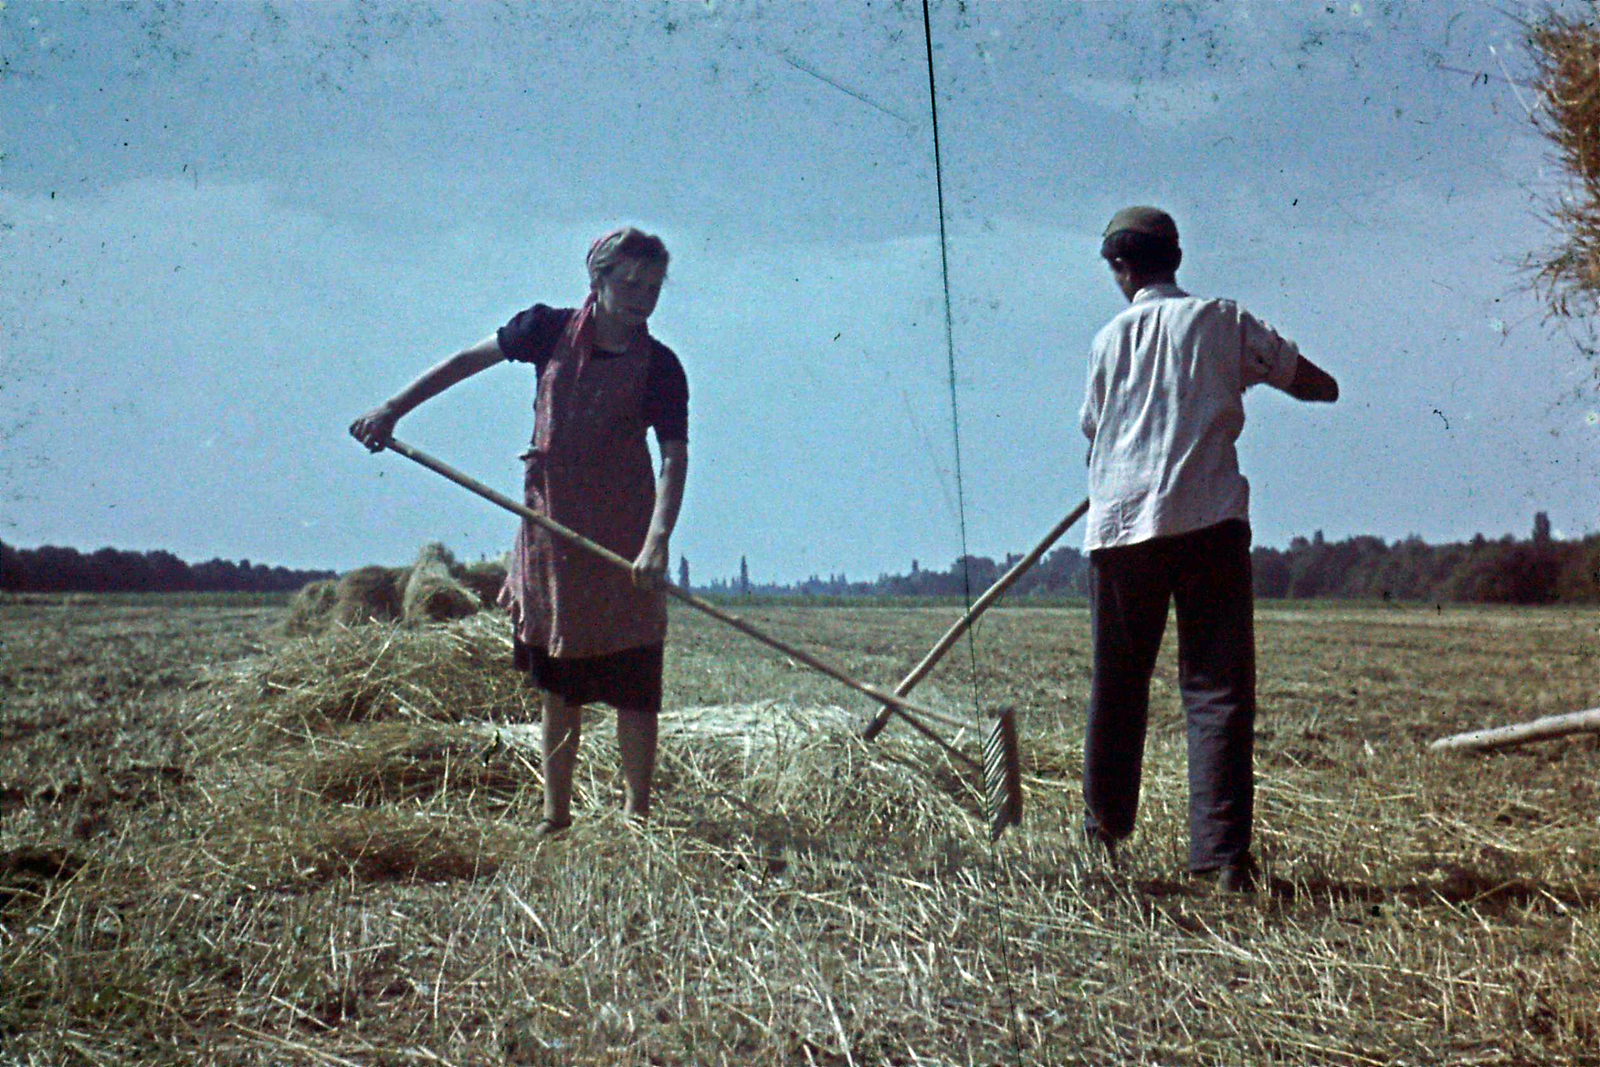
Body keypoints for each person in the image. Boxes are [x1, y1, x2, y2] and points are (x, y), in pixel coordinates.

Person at [349, 227, 689, 837]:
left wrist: (657, 540)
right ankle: (555, 818)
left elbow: (673, 458)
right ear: (598, 280)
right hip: (552, 534)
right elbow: (464, 363)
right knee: (559, 683)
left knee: (636, 683)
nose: (642, 298)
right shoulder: (543, 330)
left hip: (624, 540)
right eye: (630, 283)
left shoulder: (661, 367)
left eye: (653, 287)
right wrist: (391, 410)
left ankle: (637, 819)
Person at [1078, 206, 1338, 892]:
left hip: (1121, 527)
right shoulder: (1222, 321)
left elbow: (1093, 433)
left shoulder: (1107, 340)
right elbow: (1315, 384)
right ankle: (1222, 861)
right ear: (1176, 258)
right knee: (1216, 689)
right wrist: (1238, 374)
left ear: (1121, 268)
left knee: (1118, 685)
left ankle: (1101, 843)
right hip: (1208, 524)